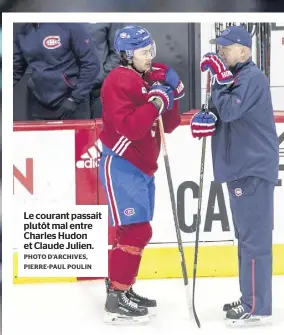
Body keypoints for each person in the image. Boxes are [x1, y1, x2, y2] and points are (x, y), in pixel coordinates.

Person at [191, 25, 279, 325]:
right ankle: (249, 297)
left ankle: (256, 306)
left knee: (254, 241)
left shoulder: (252, 77)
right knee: (245, 240)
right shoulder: (237, 78)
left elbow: (230, 110)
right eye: (220, 47)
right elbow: (224, 114)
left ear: (244, 50)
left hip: (252, 168)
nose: (221, 52)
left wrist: (217, 81)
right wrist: (207, 119)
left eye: (226, 48)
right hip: (240, 168)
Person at [98, 25, 184, 324]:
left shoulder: (144, 79)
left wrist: (171, 93)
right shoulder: (117, 80)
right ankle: (116, 296)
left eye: (151, 51)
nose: (150, 57)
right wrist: (157, 100)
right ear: (126, 54)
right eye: (143, 52)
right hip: (122, 164)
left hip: (143, 167)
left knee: (134, 231)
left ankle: (123, 287)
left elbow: (168, 125)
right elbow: (131, 127)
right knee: (136, 231)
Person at [13, 23, 100, 120]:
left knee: (76, 135)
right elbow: (16, 68)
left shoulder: (69, 25)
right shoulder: (23, 32)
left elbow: (91, 64)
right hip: (38, 104)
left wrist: (74, 99)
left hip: (71, 101)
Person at [82, 23, 124, 118]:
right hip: (72, 91)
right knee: (77, 132)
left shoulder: (111, 14)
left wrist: (100, 76)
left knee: (101, 131)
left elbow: (117, 53)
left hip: (100, 90)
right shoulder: (66, 13)